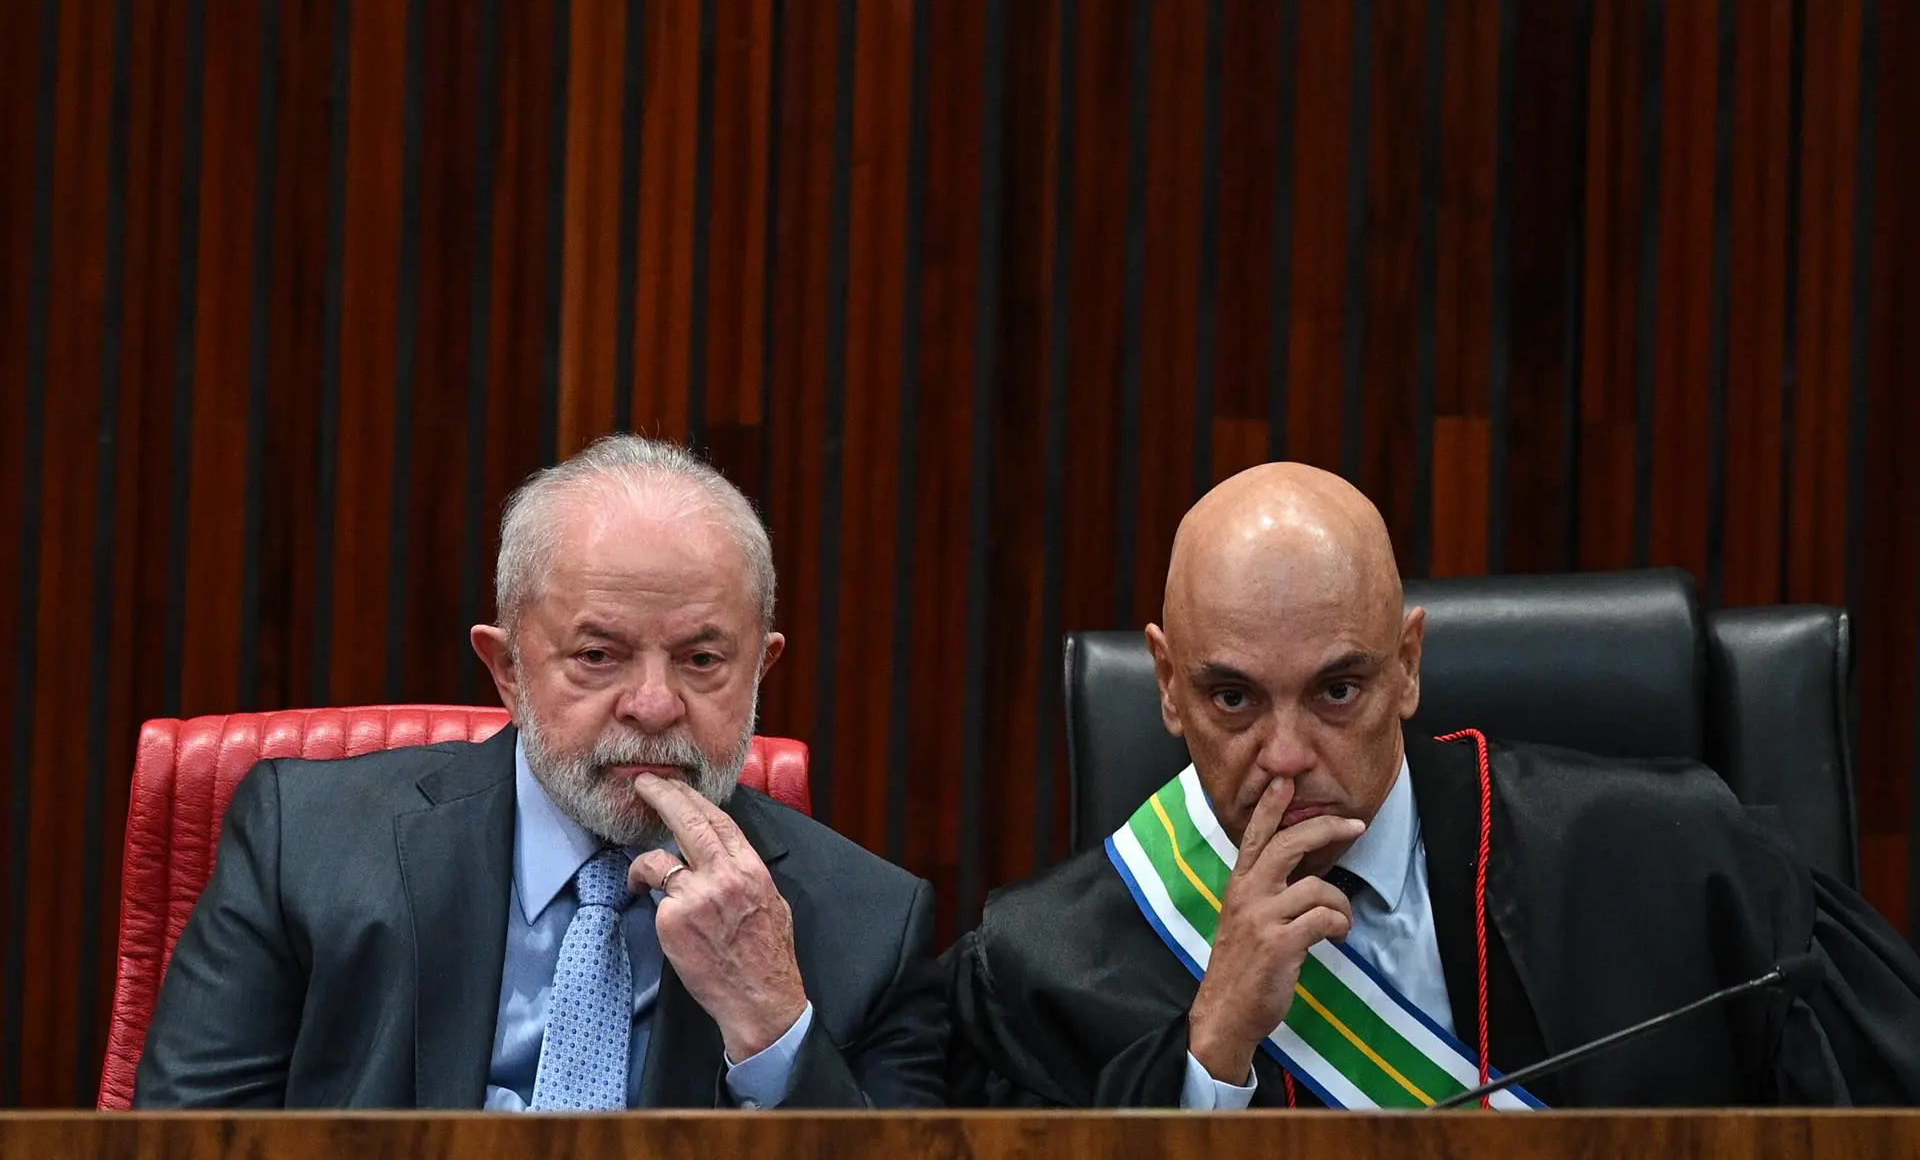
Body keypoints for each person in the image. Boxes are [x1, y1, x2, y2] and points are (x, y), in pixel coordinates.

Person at [947, 462, 1920, 1109]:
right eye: (1233, 698)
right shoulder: (1046, 970)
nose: (1286, 754)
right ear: (1167, 685)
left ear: (1407, 666)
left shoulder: (1678, 862)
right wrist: (1211, 1053)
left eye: (1337, 690)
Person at [137, 435, 945, 1109]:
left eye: (703, 660)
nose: (655, 705)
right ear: (509, 671)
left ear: (760, 671)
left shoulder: (870, 927)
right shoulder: (307, 846)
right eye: (598, 656)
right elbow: (184, 1145)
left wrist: (771, 1019)